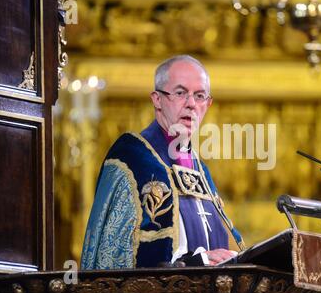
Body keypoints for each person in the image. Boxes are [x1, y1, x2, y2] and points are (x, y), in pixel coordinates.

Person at [81, 55, 245, 269]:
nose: (191, 104)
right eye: (180, 93)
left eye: (200, 95)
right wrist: (198, 262)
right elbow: (116, 255)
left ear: (208, 104)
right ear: (157, 99)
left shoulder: (199, 168)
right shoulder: (131, 157)